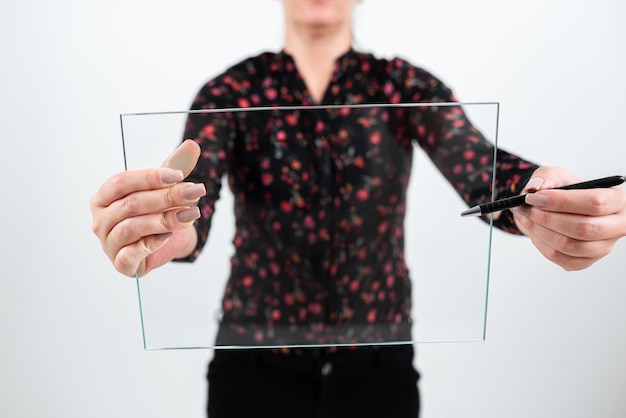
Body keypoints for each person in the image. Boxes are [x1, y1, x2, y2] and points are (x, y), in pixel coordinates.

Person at [90, 1, 626, 417]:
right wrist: (157, 228)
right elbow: (192, 209)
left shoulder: (402, 86)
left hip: (378, 377)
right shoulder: (230, 92)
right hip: (251, 376)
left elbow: (479, 171)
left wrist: (538, 196)